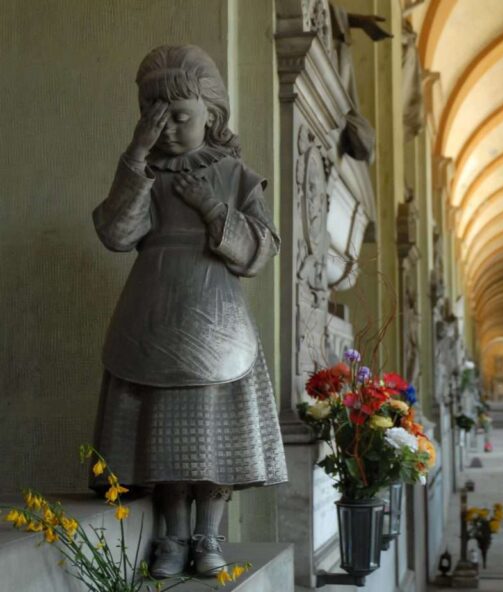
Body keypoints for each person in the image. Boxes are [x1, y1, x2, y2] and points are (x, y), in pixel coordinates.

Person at [91, 45, 287, 578]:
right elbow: (116, 232)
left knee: (212, 428)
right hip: (153, 310)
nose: (168, 129)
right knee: (165, 429)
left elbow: (262, 248)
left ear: (211, 114)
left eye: (180, 116)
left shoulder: (233, 173)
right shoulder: (145, 172)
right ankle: (173, 535)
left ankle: (209, 534)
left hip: (215, 315)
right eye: (154, 116)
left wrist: (212, 208)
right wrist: (135, 157)